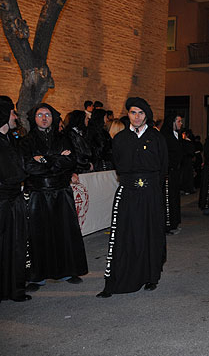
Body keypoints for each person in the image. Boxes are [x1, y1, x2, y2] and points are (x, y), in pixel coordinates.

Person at [96, 97, 168, 298]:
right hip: (128, 192)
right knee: (126, 234)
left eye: (141, 113)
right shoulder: (120, 139)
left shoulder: (156, 138)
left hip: (151, 193)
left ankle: (150, 276)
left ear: (147, 115)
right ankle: (123, 275)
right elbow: (119, 164)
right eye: (133, 112)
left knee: (149, 233)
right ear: (128, 114)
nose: (136, 117)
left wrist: (152, 187)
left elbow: (163, 167)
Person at [21, 103, 88, 290]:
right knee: (38, 235)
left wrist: (43, 159)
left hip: (61, 193)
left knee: (64, 232)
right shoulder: (26, 141)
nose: (44, 118)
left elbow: (70, 161)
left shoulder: (63, 139)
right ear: (34, 118)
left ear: (53, 117)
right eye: (40, 114)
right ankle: (37, 276)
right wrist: (56, 159)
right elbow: (28, 166)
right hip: (38, 194)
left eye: (48, 114)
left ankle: (67, 271)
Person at [0, 97, 31, 302]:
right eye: (12, 113)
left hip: (12, 201)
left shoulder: (10, 139)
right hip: (3, 202)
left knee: (15, 245)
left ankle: (12, 288)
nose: (15, 117)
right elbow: (13, 173)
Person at [160, 114, 184, 234]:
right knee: (167, 199)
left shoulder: (178, 135)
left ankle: (174, 222)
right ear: (172, 122)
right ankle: (167, 225)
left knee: (174, 197)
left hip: (175, 172)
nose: (181, 123)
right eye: (179, 121)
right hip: (168, 172)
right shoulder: (165, 136)